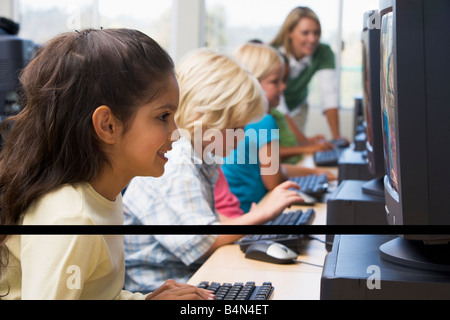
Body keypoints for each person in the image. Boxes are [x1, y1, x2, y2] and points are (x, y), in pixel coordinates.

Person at [0, 28, 213, 300]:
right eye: (163, 116)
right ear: (107, 125)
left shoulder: (102, 197)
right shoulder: (72, 218)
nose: (176, 132)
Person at [122, 48, 304, 293]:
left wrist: (243, 222)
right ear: (206, 117)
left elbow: (206, 219)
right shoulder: (176, 162)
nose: (242, 136)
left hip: (188, 277)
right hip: (159, 290)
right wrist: (259, 215)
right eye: (237, 127)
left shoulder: (201, 156)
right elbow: (201, 242)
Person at [222, 42, 336, 213]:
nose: (284, 87)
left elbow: (273, 168)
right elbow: (273, 181)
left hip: (236, 212)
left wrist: (314, 172)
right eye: (275, 81)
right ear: (252, 83)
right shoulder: (264, 120)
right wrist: (314, 173)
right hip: (250, 211)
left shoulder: (236, 120)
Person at [271, 6, 346, 142]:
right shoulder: (273, 54)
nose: (312, 39)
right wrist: (305, 143)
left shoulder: (323, 52)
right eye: (305, 33)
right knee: (281, 148)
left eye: (316, 33)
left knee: (296, 149)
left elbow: (329, 95)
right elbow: (279, 106)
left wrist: (336, 138)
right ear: (289, 32)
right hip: (273, 107)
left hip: (298, 107)